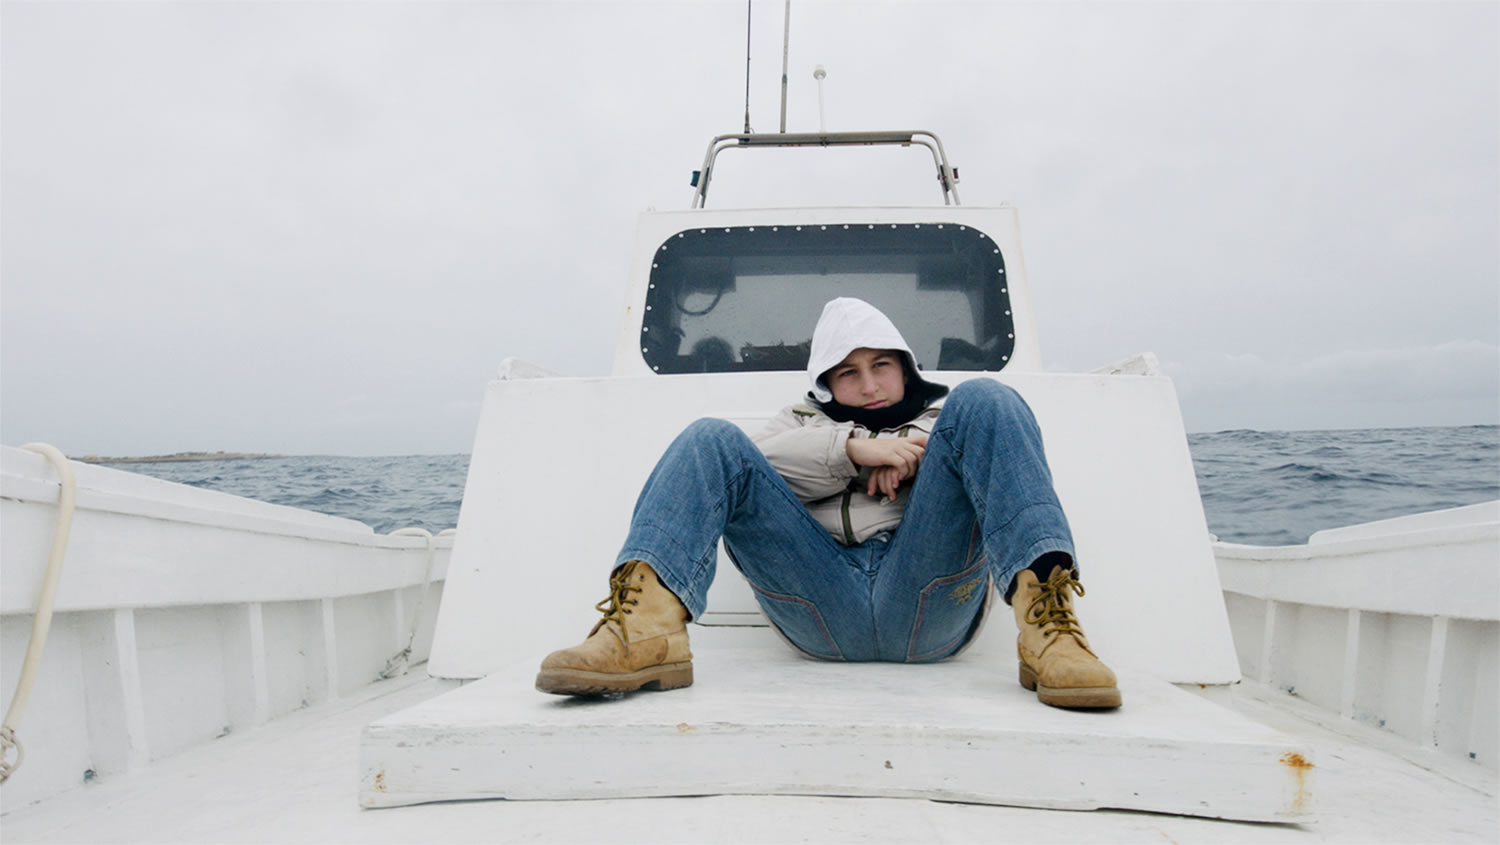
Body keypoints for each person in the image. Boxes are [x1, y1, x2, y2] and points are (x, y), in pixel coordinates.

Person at [535, 297, 1120, 709]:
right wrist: (858, 449)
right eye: (849, 373)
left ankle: (1050, 634)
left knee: (990, 398)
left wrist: (918, 448)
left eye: (881, 366)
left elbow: (967, 444)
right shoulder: (796, 422)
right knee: (709, 438)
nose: (868, 385)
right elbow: (755, 463)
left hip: (927, 598)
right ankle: (645, 634)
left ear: (904, 366)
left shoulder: (948, 418)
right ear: (826, 383)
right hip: (818, 605)